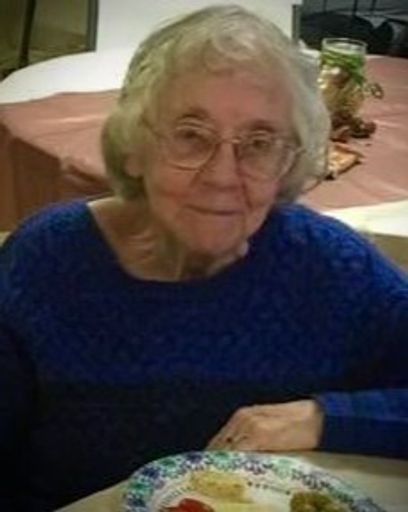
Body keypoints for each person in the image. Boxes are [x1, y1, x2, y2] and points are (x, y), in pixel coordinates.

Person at [0, 4, 407, 511]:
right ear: (134, 146)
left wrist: (325, 418)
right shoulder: (47, 262)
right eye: (191, 134)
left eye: (259, 143)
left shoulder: (331, 267)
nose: (222, 176)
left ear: (289, 162)